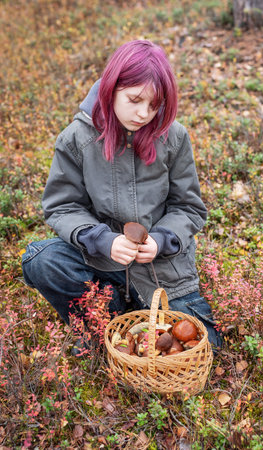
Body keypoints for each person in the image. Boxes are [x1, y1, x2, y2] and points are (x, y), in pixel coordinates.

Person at [21, 40, 222, 355]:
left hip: (162, 272)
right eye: (134, 100)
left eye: (154, 105)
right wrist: (103, 240)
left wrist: (163, 239)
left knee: (207, 348)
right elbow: (62, 206)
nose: (144, 114)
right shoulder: (76, 139)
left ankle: (128, 325)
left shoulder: (174, 137)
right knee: (41, 260)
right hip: (101, 261)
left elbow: (189, 207)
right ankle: (106, 318)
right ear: (112, 88)